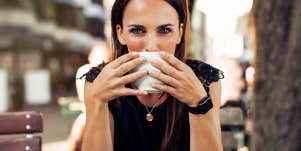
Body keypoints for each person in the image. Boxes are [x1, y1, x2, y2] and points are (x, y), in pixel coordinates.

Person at [81, 0, 224, 151]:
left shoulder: (204, 79)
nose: (151, 46)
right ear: (120, 33)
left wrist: (199, 102)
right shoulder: (101, 81)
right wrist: (97, 102)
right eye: (137, 30)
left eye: (164, 30)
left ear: (180, 34)